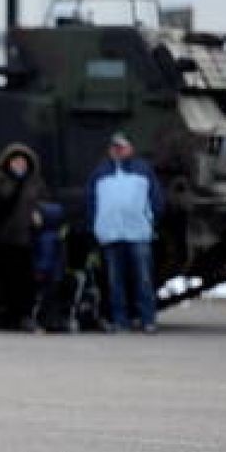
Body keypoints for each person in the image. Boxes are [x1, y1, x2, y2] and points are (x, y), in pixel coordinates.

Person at [87, 132, 164, 333]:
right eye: (115, 147)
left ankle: (147, 318)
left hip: (138, 232)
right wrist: (96, 226)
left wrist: (150, 221)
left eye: (122, 147)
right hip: (110, 233)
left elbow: (156, 199)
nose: (118, 150)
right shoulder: (100, 173)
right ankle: (120, 320)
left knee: (143, 279)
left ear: (131, 149)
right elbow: (91, 202)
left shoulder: (143, 170)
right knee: (115, 281)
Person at [0, 143, 48, 330]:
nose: (20, 164)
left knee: (26, 280)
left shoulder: (35, 183)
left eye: (23, 161)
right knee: (4, 280)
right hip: (4, 239)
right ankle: (7, 317)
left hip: (27, 240)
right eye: (16, 161)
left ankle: (25, 316)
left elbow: (46, 203)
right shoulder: (0, 181)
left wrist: (39, 213)